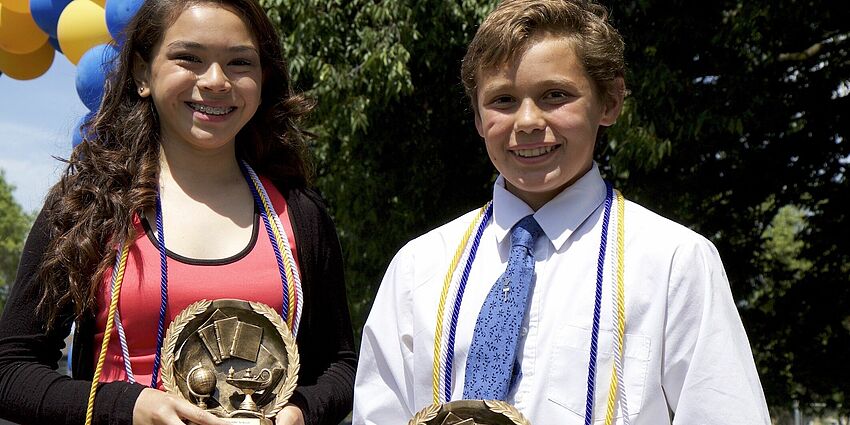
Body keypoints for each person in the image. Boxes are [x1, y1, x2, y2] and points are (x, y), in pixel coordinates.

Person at [353, 1, 770, 424]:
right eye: (503, 100)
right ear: (478, 118)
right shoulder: (418, 268)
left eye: (556, 95)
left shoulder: (673, 261)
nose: (528, 121)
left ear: (609, 102)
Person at [0, 0, 356, 424]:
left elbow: (342, 365)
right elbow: (10, 369)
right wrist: (128, 406)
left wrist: (304, 411)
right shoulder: (88, 206)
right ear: (141, 72)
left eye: (240, 62)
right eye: (189, 58)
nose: (216, 81)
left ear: (263, 78)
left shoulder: (300, 213)